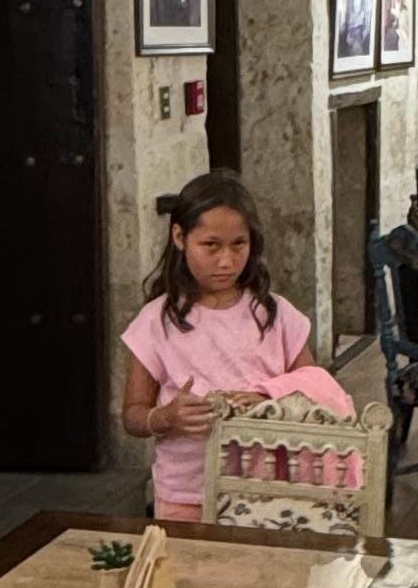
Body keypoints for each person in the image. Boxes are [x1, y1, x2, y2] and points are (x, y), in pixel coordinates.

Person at [120, 174, 316, 522]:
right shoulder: (156, 321)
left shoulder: (275, 315)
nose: (226, 261)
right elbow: (133, 415)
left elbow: (316, 388)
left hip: (269, 491)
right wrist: (165, 417)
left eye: (239, 244)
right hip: (186, 493)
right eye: (211, 245)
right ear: (180, 237)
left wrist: (269, 398)